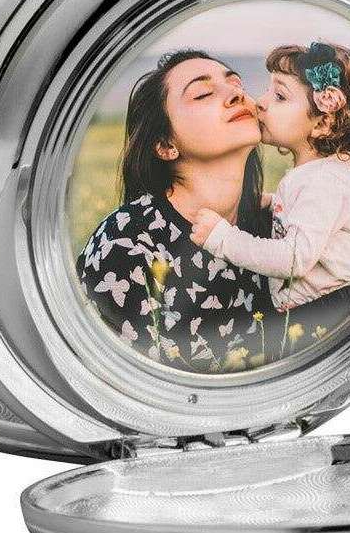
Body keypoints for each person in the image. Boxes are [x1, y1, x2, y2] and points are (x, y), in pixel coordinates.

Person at [76, 49, 282, 372]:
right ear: (166, 145)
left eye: (236, 84)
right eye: (202, 94)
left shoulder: (276, 228)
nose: (236, 95)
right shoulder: (126, 244)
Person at [191, 41, 350, 313]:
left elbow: (294, 258)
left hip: (338, 305)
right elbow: (305, 214)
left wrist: (222, 239)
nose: (261, 102)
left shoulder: (327, 180)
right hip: (322, 307)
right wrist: (271, 202)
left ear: (322, 123)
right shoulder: (317, 175)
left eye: (280, 96)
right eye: (269, 90)